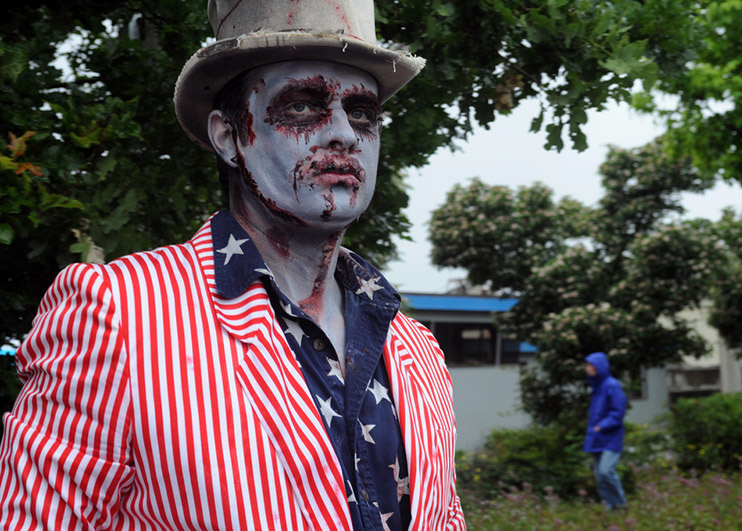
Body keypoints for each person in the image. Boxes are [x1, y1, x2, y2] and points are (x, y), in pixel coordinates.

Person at [0, 1, 466, 529]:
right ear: (229, 136)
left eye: (362, 112)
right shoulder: (121, 312)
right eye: (302, 107)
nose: (343, 133)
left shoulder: (415, 348)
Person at [583, 351, 628, 511]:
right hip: (596, 438)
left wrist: (601, 426)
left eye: (590, 365)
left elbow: (618, 412)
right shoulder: (596, 387)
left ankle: (621, 504)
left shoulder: (612, 385)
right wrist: (594, 431)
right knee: (599, 477)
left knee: (606, 471)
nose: (587, 368)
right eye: (587, 365)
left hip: (611, 437)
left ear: (599, 367)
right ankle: (610, 507)